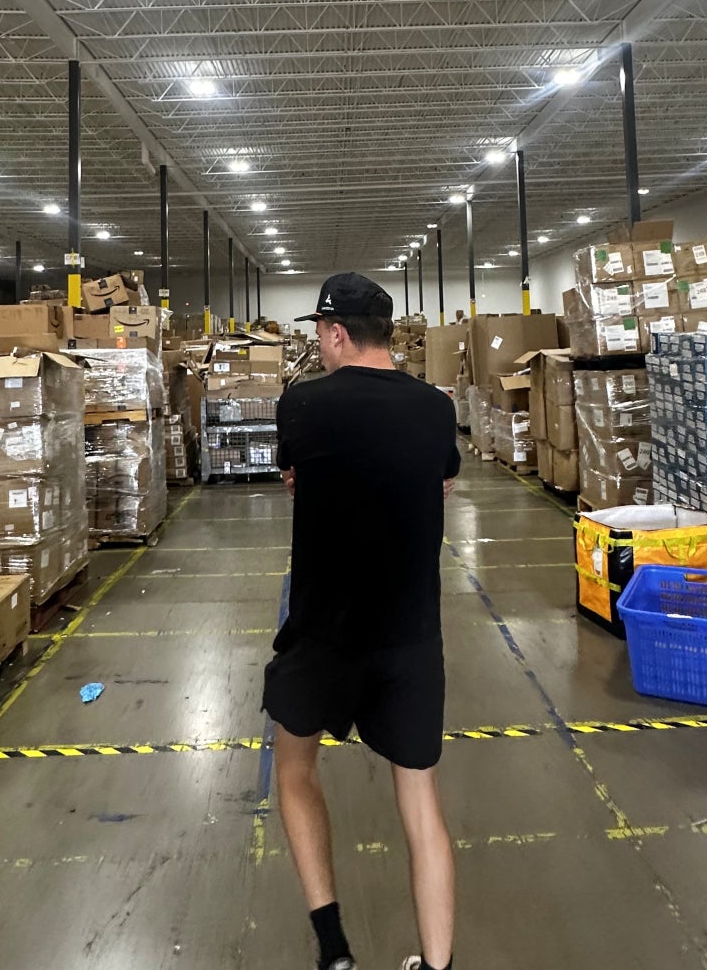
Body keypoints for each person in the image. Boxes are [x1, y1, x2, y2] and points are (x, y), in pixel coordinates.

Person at [264, 272, 461, 970]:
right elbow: (443, 478)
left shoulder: (301, 404)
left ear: (337, 333)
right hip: (410, 635)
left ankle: (335, 949)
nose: (320, 345)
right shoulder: (436, 408)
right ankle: (436, 965)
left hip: (324, 632)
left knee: (294, 769)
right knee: (421, 799)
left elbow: (296, 477)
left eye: (321, 333)